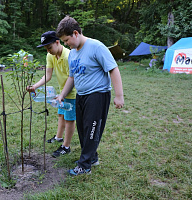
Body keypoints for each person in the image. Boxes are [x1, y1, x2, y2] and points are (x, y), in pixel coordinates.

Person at [56, 16, 124, 175]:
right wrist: (62, 95)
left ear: (75, 33)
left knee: (92, 129)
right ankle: (92, 157)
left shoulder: (96, 47)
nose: (66, 44)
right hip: (81, 95)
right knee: (83, 129)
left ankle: (85, 166)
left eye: (67, 40)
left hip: (98, 95)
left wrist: (119, 95)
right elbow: (72, 77)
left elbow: (113, 69)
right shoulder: (73, 53)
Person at [26, 31, 77, 158]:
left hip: (72, 92)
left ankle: (66, 146)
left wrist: (63, 94)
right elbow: (48, 76)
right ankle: (59, 137)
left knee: (70, 119)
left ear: (58, 42)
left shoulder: (69, 56)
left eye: (49, 47)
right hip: (61, 92)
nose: (48, 51)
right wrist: (35, 87)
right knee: (61, 114)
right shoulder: (50, 56)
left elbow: (73, 79)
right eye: (46, 49)